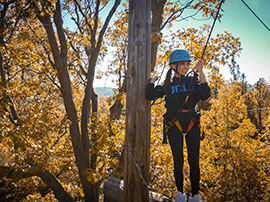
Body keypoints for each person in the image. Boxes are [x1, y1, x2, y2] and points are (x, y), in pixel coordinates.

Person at [145, 49, 211, 202]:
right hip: (174, 125)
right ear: (173, 66)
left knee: (194, 160)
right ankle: (180, 192)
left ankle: (195, 195)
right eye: (182, 64)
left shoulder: (193, 81)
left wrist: (201, 72)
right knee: (178, 160)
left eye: (187, 64)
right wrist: (152, 81)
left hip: (192, 124)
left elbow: (205, 94)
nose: (186, 67)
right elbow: (150, 95)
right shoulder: (167, 84)